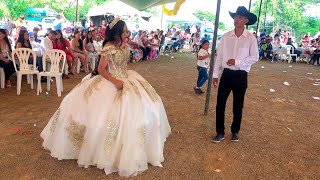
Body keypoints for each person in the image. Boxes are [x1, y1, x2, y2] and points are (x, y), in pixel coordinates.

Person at [40, 15, 171, 177]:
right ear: (116, 33)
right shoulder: (109, 46)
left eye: (127, 31)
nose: (127, 34)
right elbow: (102, 69)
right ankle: (99, 149)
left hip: (126, 77)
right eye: (124, 32)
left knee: (145, 104)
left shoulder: (124, 44)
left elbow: (123, 63)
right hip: (111, 80)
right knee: (100, 112)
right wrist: (115, 81)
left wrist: (129, 72)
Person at [212, 6, 259, 143]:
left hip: (241, 75)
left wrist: (237, 61)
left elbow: (255, 57)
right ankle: (219, 132)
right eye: (235, 17)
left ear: (246, 20)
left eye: (239, 17)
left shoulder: (251, 38)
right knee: (220, 104)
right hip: (226, 75)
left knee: (238, 105)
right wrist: (216, 74)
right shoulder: (226, 37)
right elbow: (219, 56)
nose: (236, 19)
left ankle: (235, 131)